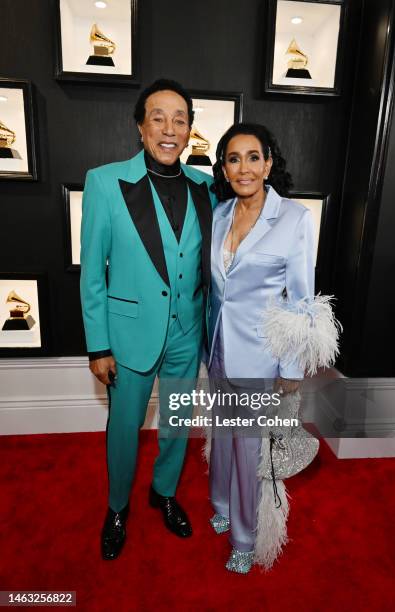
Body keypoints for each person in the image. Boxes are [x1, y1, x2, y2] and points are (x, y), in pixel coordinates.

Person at [80, 79, 217, 560]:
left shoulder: (206, 187)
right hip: (128, 334)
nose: (169, 128)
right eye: (158, 117)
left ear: (189, 132)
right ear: (141, 127)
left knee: (178, 420)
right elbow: (92, 271)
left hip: (187, 331)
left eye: (180, 119)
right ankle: (117, 507)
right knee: (124, 426)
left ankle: (163, 493)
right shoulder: (104, 181)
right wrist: (98, 345)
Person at [207, 123, 338, 573]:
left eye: (252, 157)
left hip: (261, 356)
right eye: (233, 159)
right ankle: (222, 505)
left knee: (248, 448)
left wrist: (291, 365)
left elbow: (302, 299)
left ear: (267, 163)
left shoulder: (295, 219)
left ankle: (245, 538)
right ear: (223, 168)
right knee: (222, 435)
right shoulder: (220, 213)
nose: (243, 167)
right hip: (218, 348)